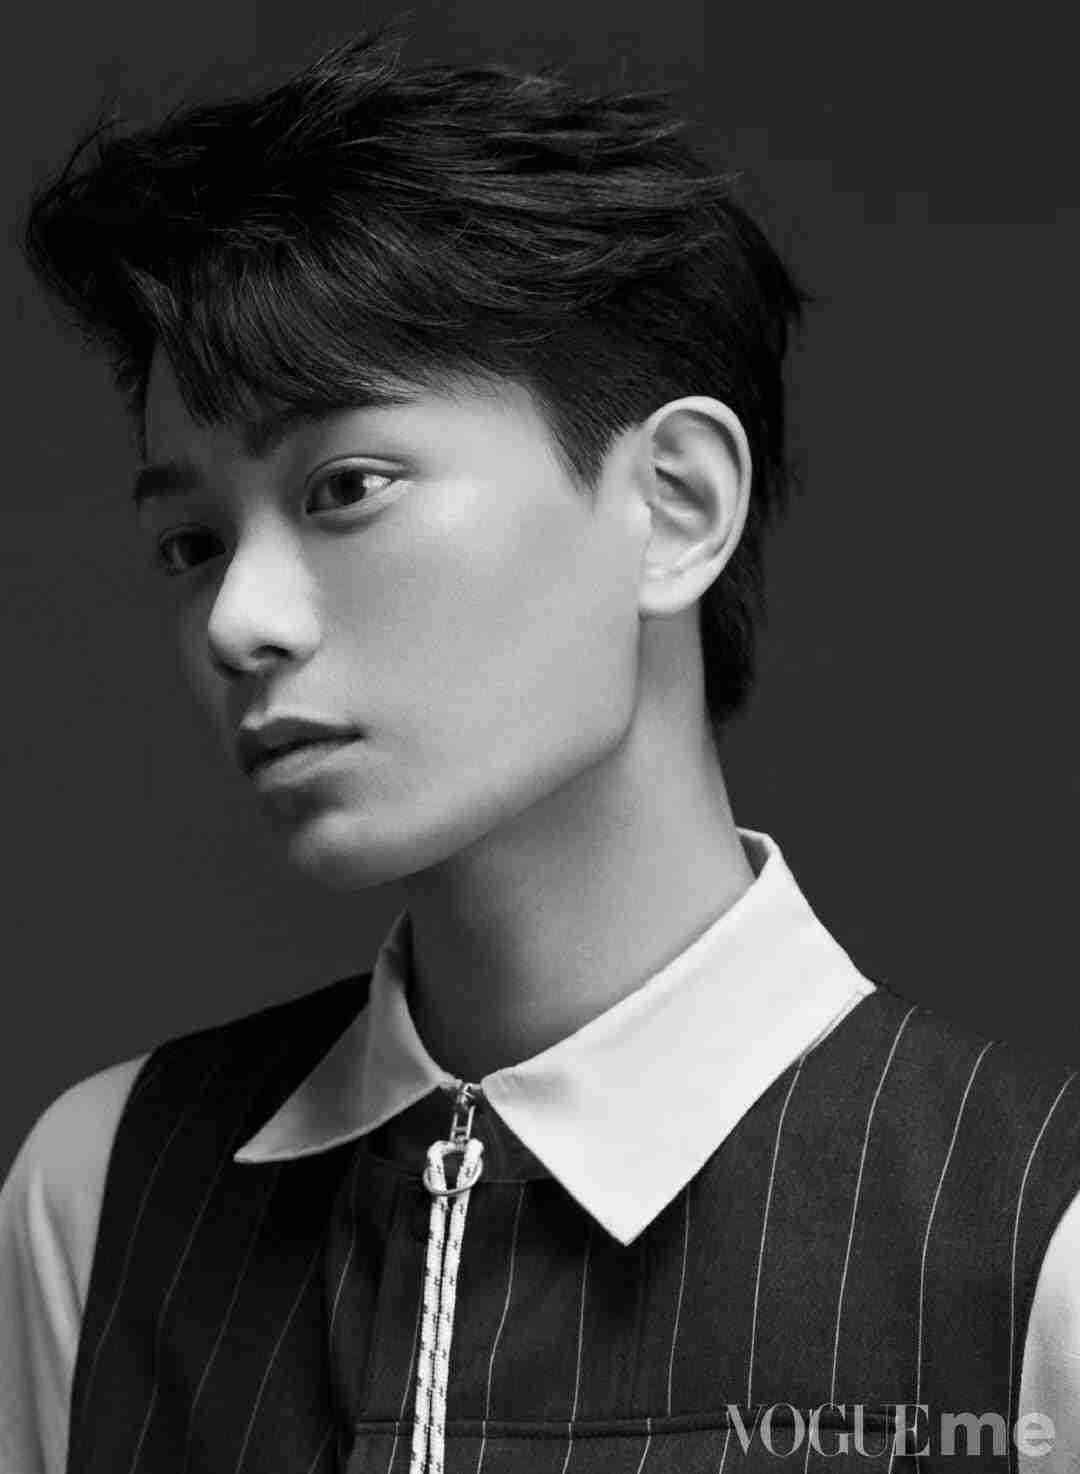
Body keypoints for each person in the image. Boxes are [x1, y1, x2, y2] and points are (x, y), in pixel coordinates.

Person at [1, 28, 1077, 1474]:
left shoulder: (1032, 1241)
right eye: (191, 543)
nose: (239, 621)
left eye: (345, 486)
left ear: (675, 505)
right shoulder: (101, 1199)